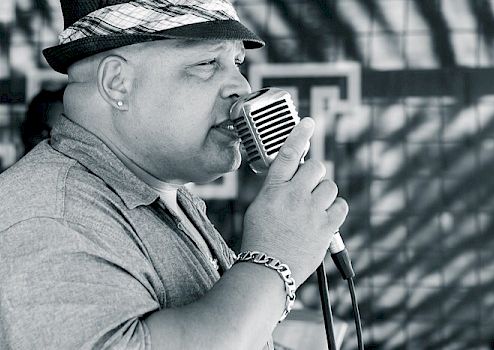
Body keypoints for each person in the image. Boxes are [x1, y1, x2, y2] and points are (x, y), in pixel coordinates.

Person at [0, 1, 348, 349]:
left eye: (237, 63)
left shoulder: (162, 196)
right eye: (207, 63)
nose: (240, 87)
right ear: (117, 83)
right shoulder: (50, 219)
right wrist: (275, 259)